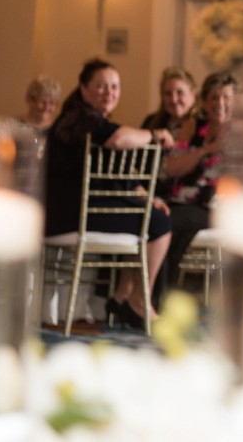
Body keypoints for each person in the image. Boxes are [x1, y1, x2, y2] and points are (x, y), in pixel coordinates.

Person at [45, 58, 177, 327]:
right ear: (83, 88)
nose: (109, 92)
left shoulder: (94, 120)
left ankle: (123, 296)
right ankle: (139, 301)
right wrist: (154, 134)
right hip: (66, 213)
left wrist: (146, 196)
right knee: (160, 224)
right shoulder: (80, 118)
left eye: (114, 86)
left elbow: (113, 177)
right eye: (101, 86)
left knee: (152, 216)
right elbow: (118, 139)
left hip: (77, 210)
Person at [161, 71, 237, 289]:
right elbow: (173, 168)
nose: (219, 103)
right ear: (204, 101)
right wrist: (207, 150)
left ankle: (158, 297)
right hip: (183, 202)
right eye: (213, 97)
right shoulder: (193, 127)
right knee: (158, 218)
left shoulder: (241, 132)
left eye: (226, 97)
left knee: (169, 222)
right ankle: (148, 297)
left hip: (216, 208)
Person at [140, 66, 198, 138]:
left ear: (193, 96)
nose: (174, 100)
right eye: (168, 94)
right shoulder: (151, 122)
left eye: (180, 92)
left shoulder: (203, 126)